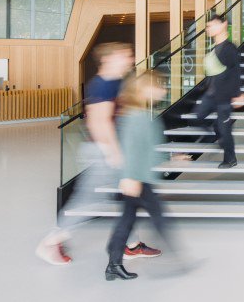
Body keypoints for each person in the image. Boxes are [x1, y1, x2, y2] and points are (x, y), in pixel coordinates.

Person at [36, 42, 161, 266]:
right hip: (103, 151)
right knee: (88, 201)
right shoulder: (101, 85)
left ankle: (131, 245)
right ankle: (51, 241)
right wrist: (114, 153)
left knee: (128, 198)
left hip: (112, 150)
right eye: (125, 56)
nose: (130, 60)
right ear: (108, 59)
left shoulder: (116, 82)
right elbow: (98, 122)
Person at [105, 72, 172, 282]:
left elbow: (148, 148)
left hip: (139, 177)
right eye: (159, 86)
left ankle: (114, 262)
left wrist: (171, 156)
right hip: (138, 179)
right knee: (156, 218)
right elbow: (131, 149)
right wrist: (129, 177)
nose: (163, 90)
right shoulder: (137, 116)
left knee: (128, 219)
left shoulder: (140, 113)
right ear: (144, 89)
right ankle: (179, 259)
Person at [192, 13, 244, 168]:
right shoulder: (214, 49)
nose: (208, 28)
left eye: (212, 25)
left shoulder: (229, 48)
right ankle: (219, 133)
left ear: (223, 25)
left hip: (225, 96)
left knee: (224, 129)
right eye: (208, 26)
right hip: (211, 94)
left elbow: (236, 72)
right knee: (198, 117)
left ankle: (230, 159)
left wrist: (238, 94)